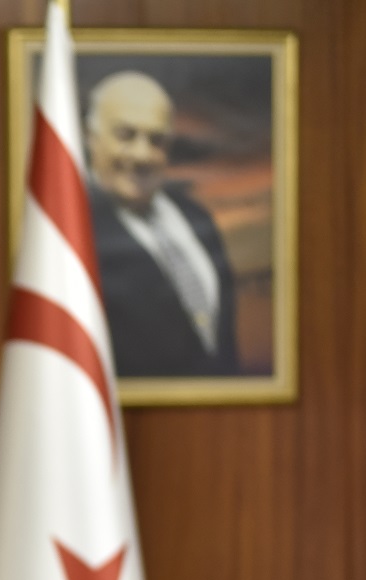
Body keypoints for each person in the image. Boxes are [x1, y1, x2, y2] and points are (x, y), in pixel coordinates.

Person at [83, 70, 239, 378]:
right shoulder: (73, 232)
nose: (143, 155)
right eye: (126, 135)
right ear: (91, 138)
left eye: (156, 140)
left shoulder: (197, 218)